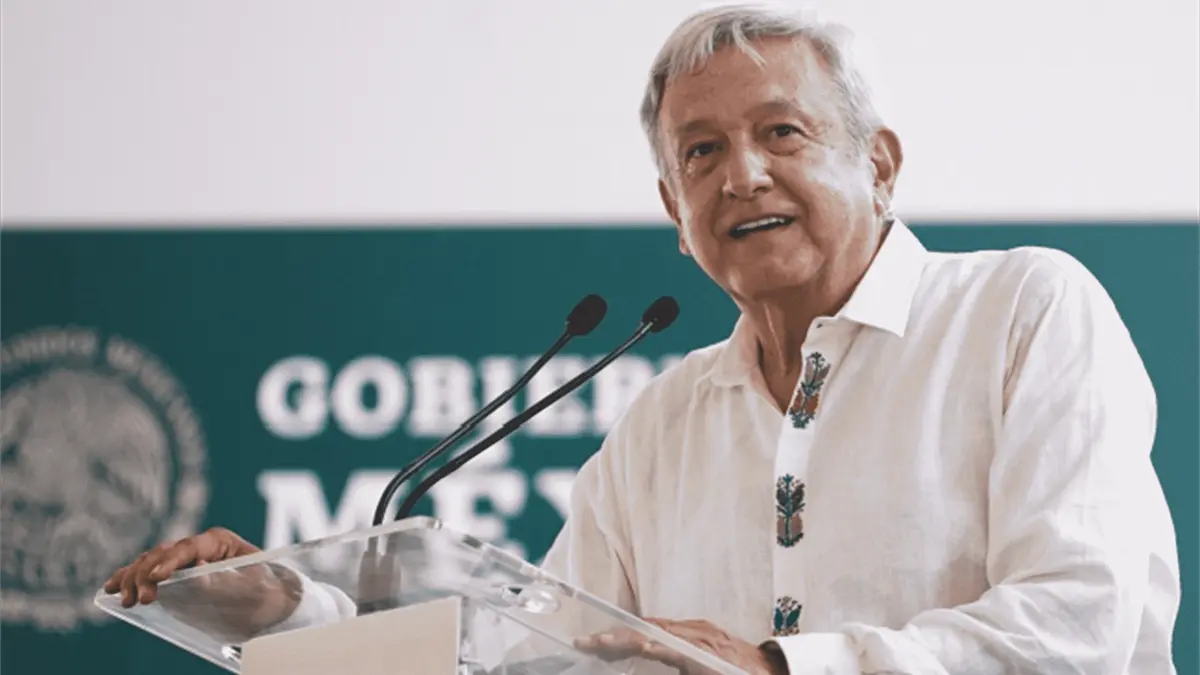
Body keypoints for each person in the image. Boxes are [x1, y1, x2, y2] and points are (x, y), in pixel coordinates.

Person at [104, 3, 1181, 673]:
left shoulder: (1023, 310)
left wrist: (780, 668)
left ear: (881, 164)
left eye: (782, 132)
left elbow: (1077, 626)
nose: (741, 176)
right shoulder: (665, 420)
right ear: (674, 211)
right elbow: (531, 661)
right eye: (700, 153)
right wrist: (289, 613)